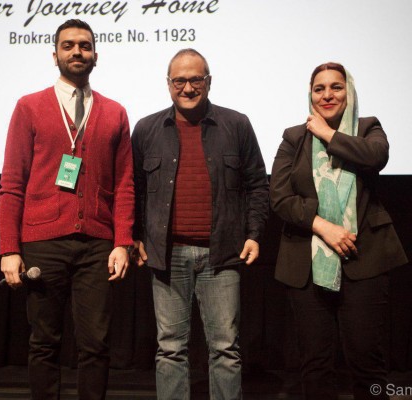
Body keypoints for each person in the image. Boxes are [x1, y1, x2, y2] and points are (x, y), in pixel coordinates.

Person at [0, 19, 134, 400]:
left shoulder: (115, 112)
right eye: (68, 45)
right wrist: (9, 248)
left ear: (96, 56)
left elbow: (125, 184)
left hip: (97, 245)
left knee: (96, 345)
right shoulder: (29, 107)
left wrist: (122, 241)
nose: (77, 51)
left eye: (85, 46)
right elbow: (12, 183)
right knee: (44, 343)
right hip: (43, 242)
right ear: (54, 54)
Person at [131, 48, 269, 400]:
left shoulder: (236, 124)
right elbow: (133, 188)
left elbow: (258, 184)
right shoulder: (147, 129)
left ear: (209, 82)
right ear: (168, 84)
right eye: (180, 80)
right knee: (170, 349)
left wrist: (254, 234)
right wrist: (134, 236)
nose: (188, 88)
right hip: (167, 255)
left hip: (222, 255)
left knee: (225, 349)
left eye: (196, 79)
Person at [270, 62, 408, 400]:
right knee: (315, 364)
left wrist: (328, 134)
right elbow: (280, 197)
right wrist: (323, 227)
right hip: (307, 261)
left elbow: (376, 157)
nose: (327, 95)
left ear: (349, 92)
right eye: (319, 89)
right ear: (311, 94)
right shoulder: (294, 137)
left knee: (366, 361)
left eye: (336, 87)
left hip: (364, 259)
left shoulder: (367, 128)